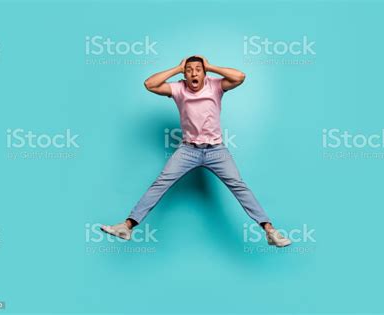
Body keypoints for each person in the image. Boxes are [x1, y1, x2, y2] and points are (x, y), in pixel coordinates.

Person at [101, 56, 291, 247]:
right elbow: (150, 84)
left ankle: (269, 231)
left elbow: (240, 76)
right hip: (188, 150)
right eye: (189, 70)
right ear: (185, 73)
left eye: (198, 69)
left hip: (216, 151)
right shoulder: (178, 88)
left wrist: (210, 66)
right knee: (160, 184)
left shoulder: (215, 85)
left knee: (239, 186)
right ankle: (127, 227)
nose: (193, 73)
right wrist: (177, 69)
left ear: (204, 73)